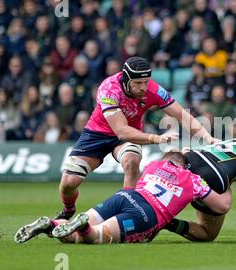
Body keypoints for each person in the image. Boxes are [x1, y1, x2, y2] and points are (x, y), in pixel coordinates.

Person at [55, 56, 218, 221]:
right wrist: (156, 138)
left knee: (131, 161)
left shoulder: (153, 90)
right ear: (126, 81)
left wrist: (207, 137)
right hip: (97, 134)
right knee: (69, 184)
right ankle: (69, 209)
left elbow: (182, 115)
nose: (143, 88)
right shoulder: (109, 88)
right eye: (138, 84)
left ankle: (126, 214)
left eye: (146, 82)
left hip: (129, 135)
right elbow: (121, 131)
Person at [14, 152, 230, 244]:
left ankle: (51, 223)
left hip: (127, 195)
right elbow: (221, 206)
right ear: (184, 165)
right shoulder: (192, 179)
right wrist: (227, 182)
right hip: (147, 213)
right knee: (97, 237)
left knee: (69, 232)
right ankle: (84, 227)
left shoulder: (153, 165)